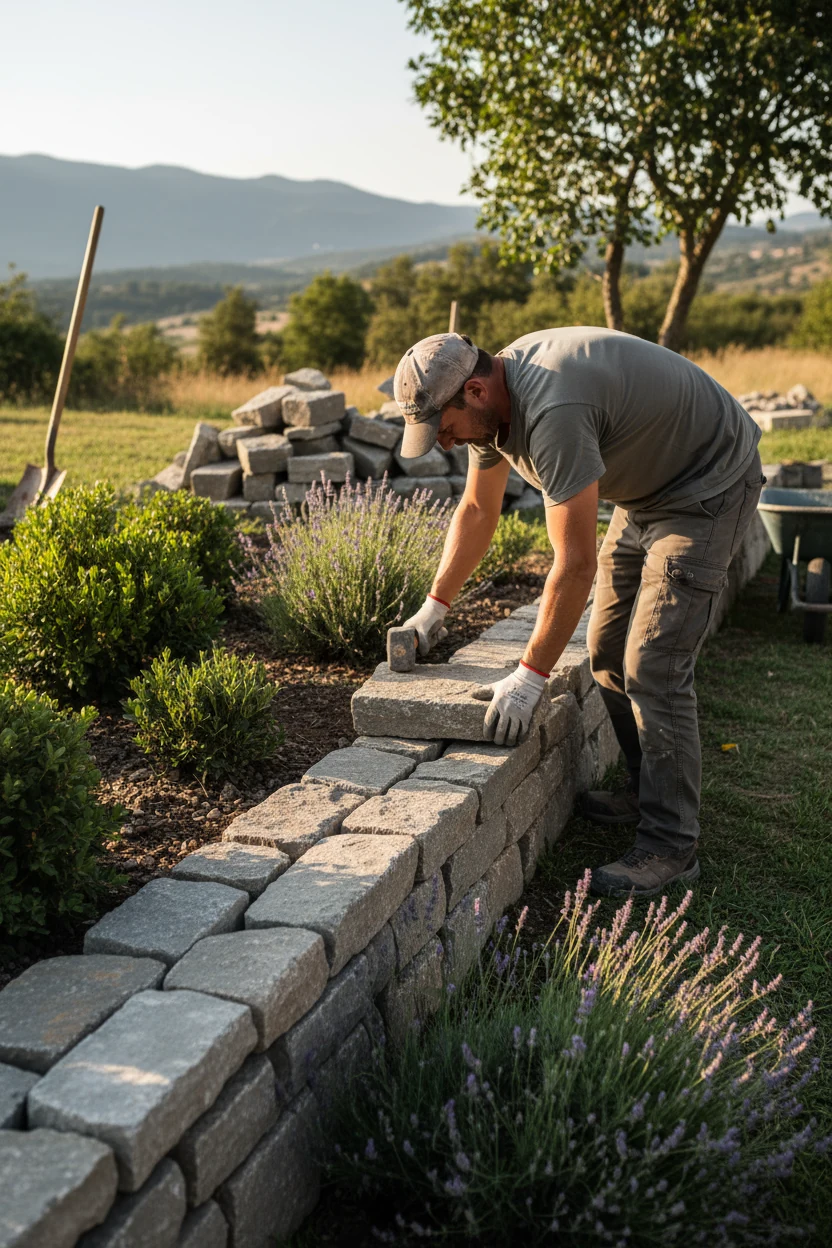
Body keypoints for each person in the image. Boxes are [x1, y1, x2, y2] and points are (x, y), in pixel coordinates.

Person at [395, 328, 764, 898]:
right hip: (648, 491)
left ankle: (671, 845)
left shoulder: (554, 410)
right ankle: (647, 794)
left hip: (706, 488)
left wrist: (529, 677)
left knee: (654, 665)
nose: (443, 443)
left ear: (472, 391)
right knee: (607, 650)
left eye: (442, 429)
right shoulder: (491, 404)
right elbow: (476, 508)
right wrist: (433, 606)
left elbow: (573, 566)